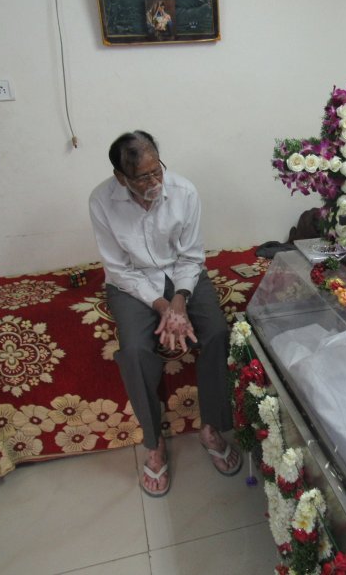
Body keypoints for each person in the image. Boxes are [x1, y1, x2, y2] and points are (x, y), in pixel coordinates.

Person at [89, 130, 241, 497]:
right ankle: (154, 442)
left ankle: (211, 427)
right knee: (137, 351)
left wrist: (180, 301)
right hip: (131, 281)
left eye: (158, 169)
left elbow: (191, 255)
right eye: (144, 176)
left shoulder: (184, 191)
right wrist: (160, 306)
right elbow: (119, 269)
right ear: (121, 178)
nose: (156, 181)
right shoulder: (101, 201)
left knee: (218, 333)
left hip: (182, 273)